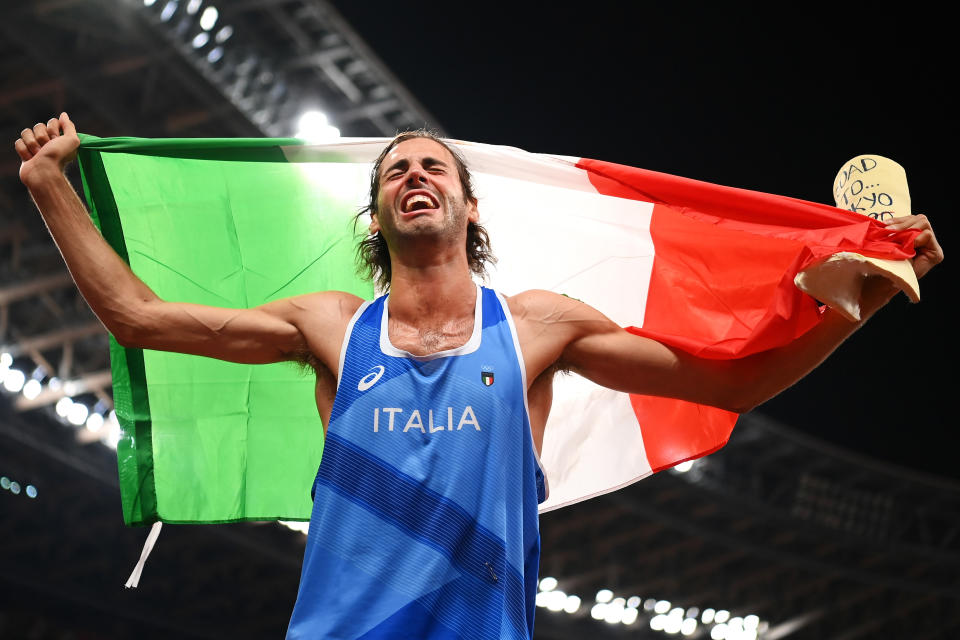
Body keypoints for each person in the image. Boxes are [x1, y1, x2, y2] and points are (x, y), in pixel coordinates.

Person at [16, 113, 943, 639]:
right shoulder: (331, 326)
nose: (413, 175)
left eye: (432, 166)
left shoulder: (536, 326)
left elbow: (729, 387)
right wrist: (53, 184)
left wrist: (848, 306)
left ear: (466, 203)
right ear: (378, 216)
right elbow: (138, 317)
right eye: (394, 172)